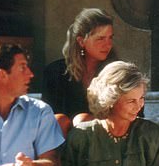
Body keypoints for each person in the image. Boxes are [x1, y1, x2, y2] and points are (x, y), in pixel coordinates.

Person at [42, 8, 115, 136]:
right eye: (101, 38)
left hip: (104, 137)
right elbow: (49, 116)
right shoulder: (55, 71)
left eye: (110, 38)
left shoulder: (117, 72)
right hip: (66, 138)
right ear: (81, 41)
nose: (108, 44)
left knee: (83, 120)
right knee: (60, 120)